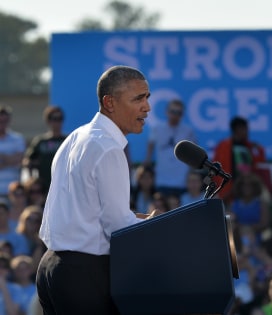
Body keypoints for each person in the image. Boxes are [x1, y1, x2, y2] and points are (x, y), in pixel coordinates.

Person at [36, 65, 162, 315]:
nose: (147, 107)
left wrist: (141, 219)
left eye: (147, 98)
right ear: (110, 102)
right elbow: (117, 226)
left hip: (51, 267)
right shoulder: (108, 148)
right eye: (138, 98)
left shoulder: (76, 136)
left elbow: (88, 210)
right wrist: (154, 227)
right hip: (82, 273)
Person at [143, 99, 197, 198]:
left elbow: (194, 153)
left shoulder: (188, 131)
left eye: (179, 113)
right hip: (162, 180)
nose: (175, 115)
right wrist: (147, 161)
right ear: (167, 112)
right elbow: (150, 147)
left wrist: (191, 173)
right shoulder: (157, 128)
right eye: (173, 112)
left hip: (182, 181)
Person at [213, 116, 266, 205]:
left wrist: (259, 150)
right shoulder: (223, 146)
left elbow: (259, 165)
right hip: (228, 189)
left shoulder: (250, 146)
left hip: (247, 189)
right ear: (237, 129)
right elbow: (216, 168)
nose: (247, 132)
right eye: (245, 129)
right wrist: (219, 188)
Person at [22, 105, 67, 191]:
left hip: (64, 185)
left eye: (60, 118)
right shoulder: (40, 141)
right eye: (54, 119)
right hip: (44, 187)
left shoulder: (68, 140)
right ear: (48, 121)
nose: (57, 122)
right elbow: (28, 160)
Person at [0, 105, 26, 198]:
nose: (2, 124)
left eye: (5, 121)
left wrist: (2, 157)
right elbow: (15, 160)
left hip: (12, 192)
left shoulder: (17, 139)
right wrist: (10, 159)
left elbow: (19, 159)